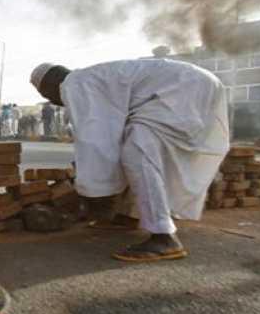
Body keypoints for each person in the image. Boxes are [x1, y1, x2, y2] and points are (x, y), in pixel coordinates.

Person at [30, 59, 229, 262]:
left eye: (47, 96)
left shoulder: (74, 84)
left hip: (182, 88)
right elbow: (111, 133)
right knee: (132, 146)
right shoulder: (95, 78)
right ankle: (129, 215)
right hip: (197, 83)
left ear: (51, 86)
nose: (54, 102)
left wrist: (93, 188)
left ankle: (164, 237)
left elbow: (95, 138)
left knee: (137, 152)